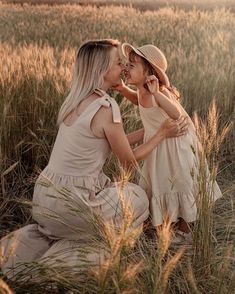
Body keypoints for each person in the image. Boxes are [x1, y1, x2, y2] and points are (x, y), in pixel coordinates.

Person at [0, 39, 188, 278]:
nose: (124, 68)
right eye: (118, 63)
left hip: (45, 197)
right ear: (102, 70)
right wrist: (162, 133)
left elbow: (112, 141)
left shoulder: (76, 100)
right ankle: (67, 261)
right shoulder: (106, 107)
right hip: (74, 201)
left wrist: (150, 131)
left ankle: (18, 253)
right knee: (139, 197)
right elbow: (128, 163)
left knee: (49, 232)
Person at [114, 43, 222, 243]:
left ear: (150, 74)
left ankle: (186, 230)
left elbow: (177, 113)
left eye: (132, 65)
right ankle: (167, 221)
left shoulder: (158, 92)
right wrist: (122, 89)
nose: (126, 68)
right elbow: (140, 102)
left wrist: (157, 93)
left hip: (175, 147)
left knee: (181, 182)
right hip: (161, 144)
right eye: (126, 64)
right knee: (162, 182)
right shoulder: (143, 91)